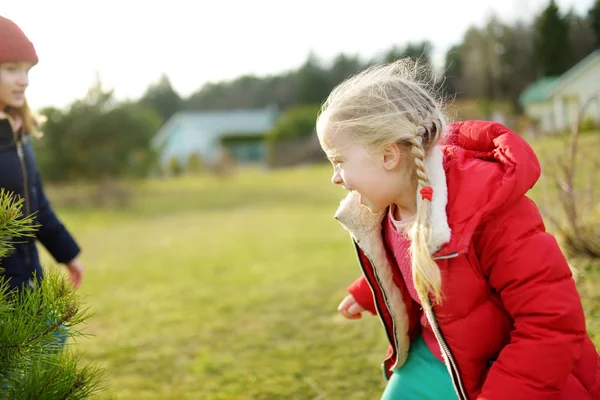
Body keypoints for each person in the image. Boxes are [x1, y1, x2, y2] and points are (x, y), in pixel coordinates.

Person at [316, 59, 600, 400]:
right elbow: (413, 260)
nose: (335, 178)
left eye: (339, 161)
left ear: (389, 155)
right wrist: (367, 292)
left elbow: (551, 324)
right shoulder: (388, 209)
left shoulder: (490, 212)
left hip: (508, 373)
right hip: (438, 354)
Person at [0, 15, 83, 299]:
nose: (23, 81)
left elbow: (37, 205)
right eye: (11, 69)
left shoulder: (20, 131)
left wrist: (68, 253)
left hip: (29, 281)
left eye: (27, 71)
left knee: (53, 340)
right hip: (3, 294)